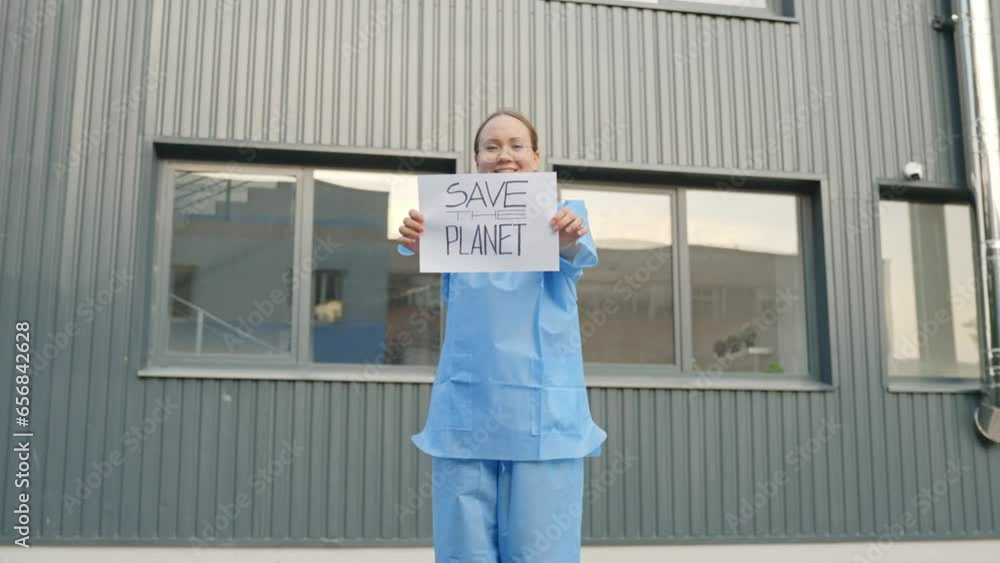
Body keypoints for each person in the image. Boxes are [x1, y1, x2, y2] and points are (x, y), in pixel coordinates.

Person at [396, 109, 606, 563]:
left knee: (542, 548)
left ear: (536, 156)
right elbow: (418, 249)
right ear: (476, 160)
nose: (504, 156)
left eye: (515, 145)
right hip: (469, 405)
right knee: (463, 548)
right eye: (491, 147)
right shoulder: (449, 220)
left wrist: (567, 235)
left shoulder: (564, 216)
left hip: (543, 410)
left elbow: (577, 249)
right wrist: (419, 240)